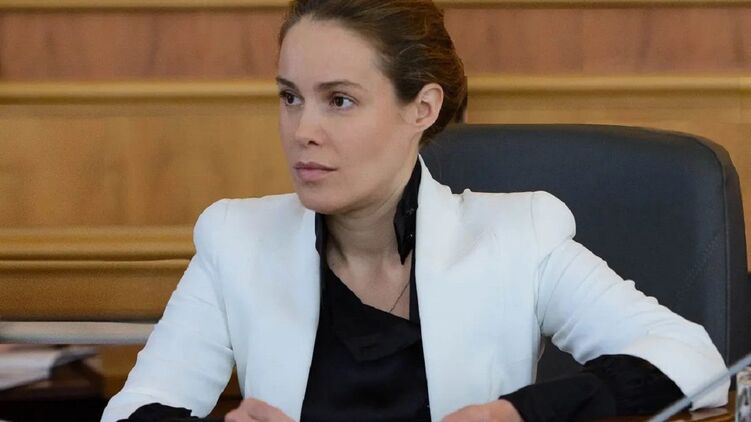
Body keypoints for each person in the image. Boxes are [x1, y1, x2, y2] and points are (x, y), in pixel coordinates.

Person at [101, 1, 729, 421]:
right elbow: (134, 409)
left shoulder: (519, 235)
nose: (302, 130)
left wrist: (519, 412)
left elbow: (692, 360)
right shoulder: (236, 238)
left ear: (422, 108)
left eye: (339, 100)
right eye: (290, 98)